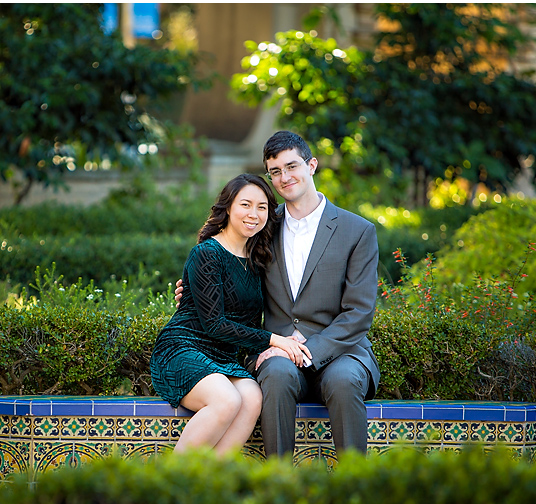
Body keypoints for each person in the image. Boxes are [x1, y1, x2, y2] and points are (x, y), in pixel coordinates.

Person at [176, 131, 380, 457]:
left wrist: (306, 351)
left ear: (311, 165)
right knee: (275, 375)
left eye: (292, 166)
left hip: (341, 351)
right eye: (275, 172)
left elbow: (359, 312)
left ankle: (354, 484)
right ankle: (279, 484)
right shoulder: (262, 228)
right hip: (278, 356)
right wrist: (191, 294)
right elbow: (225, 269)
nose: (284, 178)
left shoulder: (357, 231)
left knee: (342, 381)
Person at [151, 173, 311, 455]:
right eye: (245, 205)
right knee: (226, 400)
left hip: (223, 357)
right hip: (185, 348)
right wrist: (275, 340)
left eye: (262, 207)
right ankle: (169, 485)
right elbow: (214, 324)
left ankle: (210, 488)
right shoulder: (207, 253)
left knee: (251, 397)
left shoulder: (258, 261)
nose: (254, 214)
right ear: (228, 208)